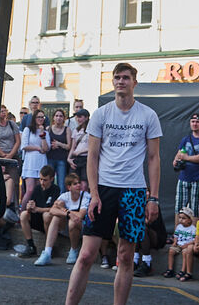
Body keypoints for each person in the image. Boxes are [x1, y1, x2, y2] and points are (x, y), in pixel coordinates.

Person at [66, 62, 162, 305]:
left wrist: (153, 198)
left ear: (134, 82)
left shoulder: (148, 115)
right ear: (113, 82)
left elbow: (154, 158)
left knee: (126, 256)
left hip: (134, 191)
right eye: (117, 77)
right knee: (86, 255)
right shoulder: (101, 114)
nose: (121, 81)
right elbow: (92, 157)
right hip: (104, 189)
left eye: (126, 77)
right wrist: (94, 194)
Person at [35, 173, 91, 266]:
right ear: (69, 187)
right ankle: (47, 252)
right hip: (66, 226)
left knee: (73, 222)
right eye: (75, 184)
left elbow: (80, 215)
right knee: (55, 217)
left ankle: (74, 249)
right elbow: (52, 210)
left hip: (82, 227)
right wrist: (67, 213)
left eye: (79, 183)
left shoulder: (85, 196)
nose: (78, 185)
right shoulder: (65, 196)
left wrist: (63, 209)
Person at [15, 165, 59, 261]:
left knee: (47, 215)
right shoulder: (37, 188)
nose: (42, 182)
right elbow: (31, 205)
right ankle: (31, 246)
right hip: (36, 218)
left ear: (51, 179)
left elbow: (53, 209)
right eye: (41, 179)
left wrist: (37, 209)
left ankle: (49, 247)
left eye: (45, 180)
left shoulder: (55, 189)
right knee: (24, 215)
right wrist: (29, 207)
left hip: (47, 221)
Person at [174, 112, 199, 216]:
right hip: (183, 178)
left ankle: (194, 227)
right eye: (193, 121)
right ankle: (178, 227)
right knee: (179, 208)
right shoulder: (185, 139)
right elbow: (179, 153)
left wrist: (186, 158)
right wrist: (176, 161)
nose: (195, 124)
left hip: (197, 178)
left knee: (195, 209)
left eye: (197, 122)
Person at [0, 105, 22, 211]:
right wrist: (2, 154)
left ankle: (15, 208)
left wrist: (10, 154)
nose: (3, 113)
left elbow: (18, 141)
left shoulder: (11, 124)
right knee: (0, 181)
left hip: (12, 156)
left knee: (15, 181)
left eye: (5, 111)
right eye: (1, 111)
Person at [21, 110, 50, 207]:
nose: (41, 119)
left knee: (39, 190)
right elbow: (24, 146)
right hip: (30, 162)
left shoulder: (45, 132)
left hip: (41, 161)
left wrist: (42, 134)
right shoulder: (28, 130)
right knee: (30, 190)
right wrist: (37, 148)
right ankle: (22, 211)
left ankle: (36, 211)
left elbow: (46, 148)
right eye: (39, 117)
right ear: (34, 118)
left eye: (42, 117)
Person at [165, 207, 197, 281]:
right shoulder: (179, 227)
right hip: (179, 244)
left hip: (187, 245)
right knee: (171, 251)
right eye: (180, 218)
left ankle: (182, 270)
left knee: (185, 252)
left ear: (189, 220)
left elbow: (194, 240)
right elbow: (176, 236)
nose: (181, 220)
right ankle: (170, 269)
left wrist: (187, 245)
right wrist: (175, 242)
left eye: (183, 218)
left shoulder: (193, 228)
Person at [46, 109, 72, 186]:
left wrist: (59, 144)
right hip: (50, 158)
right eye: (56, 116)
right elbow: (44, 143)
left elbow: (69, 146)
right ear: (53, 118)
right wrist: (51, 145)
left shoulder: (67, 129)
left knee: (61, 183)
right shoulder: (48, 129)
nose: (58, 118)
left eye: (61, 116)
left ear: (64, 118)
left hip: (62, 159)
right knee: (48, 182)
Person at [67, 108, 89, 188]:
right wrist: (69, 159)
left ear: (86, 117)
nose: (78, 119)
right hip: (76, 158)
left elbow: (93, 147)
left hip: (86, 158)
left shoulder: (91, 130)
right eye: (77, 117)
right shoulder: (76, 130)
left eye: (80, 117)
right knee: (73, 181)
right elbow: (73, 147)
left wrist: (80, 151)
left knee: (84, 183)